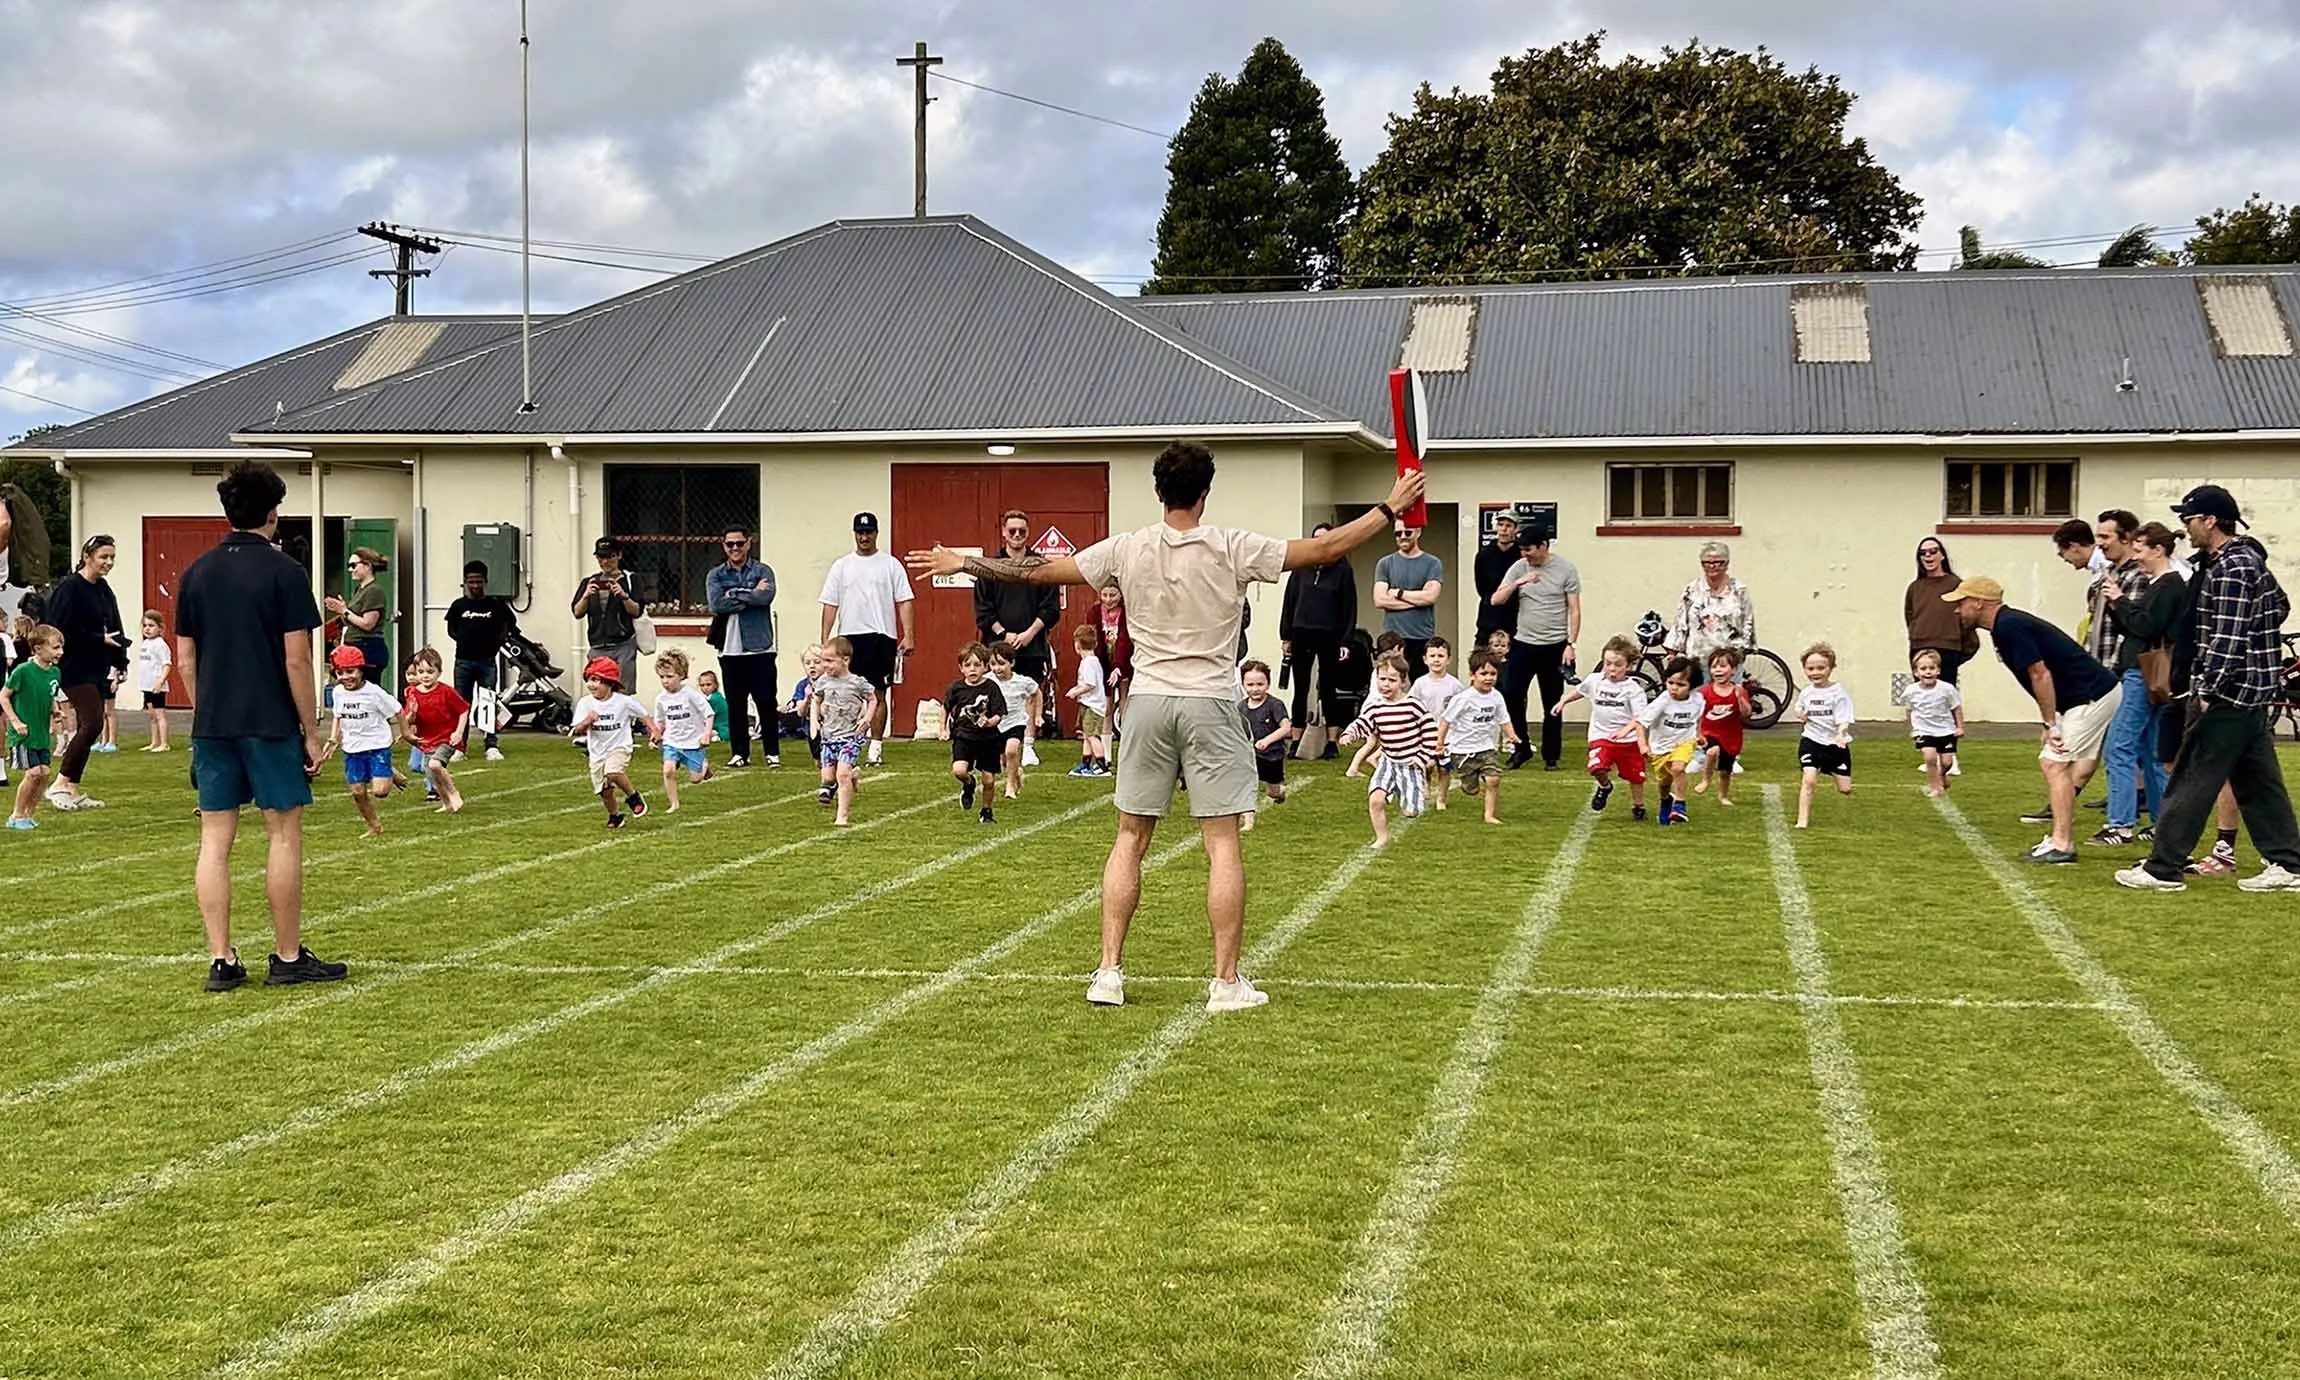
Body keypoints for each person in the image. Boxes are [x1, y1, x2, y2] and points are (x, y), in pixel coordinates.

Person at [905, 443, 1426, 1013]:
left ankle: (1109, 974)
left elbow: (1037, 570)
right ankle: (1225, 983)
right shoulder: (1231, 545)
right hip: (1208, 702)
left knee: (1130, 838)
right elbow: (1325, 547)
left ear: (1159, 491)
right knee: (1222, 843)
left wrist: (965, 561)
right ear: (1205, 491)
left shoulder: (1128, 548)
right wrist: (1389, 508)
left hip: (1148, 702)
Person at [176, 460, 343, 991]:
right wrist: (311, 729)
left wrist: (206, 710)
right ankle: (288, 956)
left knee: (214, 842)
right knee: (283, 835)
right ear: (274, 512)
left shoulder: (196, 573)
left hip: (214, 723)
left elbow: (185, 659)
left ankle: (221, 961)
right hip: (270, 721)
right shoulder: (285, 573)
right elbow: (298, 659)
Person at [2117, 486, 2300, 892]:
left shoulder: (2233, 567)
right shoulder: (2243, 561)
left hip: (2230, 692)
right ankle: (2289, 864)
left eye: (2190, 519)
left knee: (2192, 776)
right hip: (2252, 688)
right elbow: (2279, 606)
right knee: (2259, 782)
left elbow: (2227, 636)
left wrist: (2208, 687)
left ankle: (2163, 868)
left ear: (2211, 521)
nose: (2186, 528)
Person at [1945, 575, 2122, 864]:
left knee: (2053, 762)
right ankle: (2059, 837)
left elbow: (2040, 674)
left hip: (2091, 696)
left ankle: (2062, 844)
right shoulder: (2006, 625)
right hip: (2093, 694)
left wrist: (2050, 723)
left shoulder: (2008, 626)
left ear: (1978, 603)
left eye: (1961, 602)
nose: (1956, 609)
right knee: (2067, 765)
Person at [2093, 521, 2182, 845]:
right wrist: (2119, 605)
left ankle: (2120, 824)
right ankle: (2161, 821)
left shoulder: (2166, 585)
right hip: (2153, 673)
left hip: (2142, 671)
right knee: (2151, 748)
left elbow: (2144, 626)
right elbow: (2133, 625)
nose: (2137, 556)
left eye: (2141, 549)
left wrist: (2120, 599)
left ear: (2158, 549)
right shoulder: (2162, 583)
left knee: (2120, 744)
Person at [820, 512, 914, 766]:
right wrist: (825, 640)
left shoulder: (890, 564)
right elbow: (830, 603)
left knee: (877, 693)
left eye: (869, 532)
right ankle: (845, 742)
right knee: (845, 692)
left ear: (876, 533)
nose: (864, 537)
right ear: (855, 534)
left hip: (881, 636)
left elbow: (904, 600)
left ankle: (876, 745)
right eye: (860, 533)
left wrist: (909, 634)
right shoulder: (841, 566)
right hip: (850, 635)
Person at [42, 534, 127, 812]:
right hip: (73, 666)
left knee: (93, 724)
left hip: (97, 665)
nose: (108, 562)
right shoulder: (69, 588)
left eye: (112, 557)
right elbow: (58, 629)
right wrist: (97, 639)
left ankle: (72, 788)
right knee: (92, 723)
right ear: (88, 556)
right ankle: (60, 783)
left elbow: (114, 625)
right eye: (103, 557)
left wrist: (121, 661)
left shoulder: (103, 589)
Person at [1492, 530, 1581, 770]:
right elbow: (1496, 599)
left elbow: (1574, 609)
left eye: (1529, 549)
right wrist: (1518, 583)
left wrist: (1571, 644)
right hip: (1523, 644)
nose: (1525, 554)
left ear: (1543, 546)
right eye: (1522, 549)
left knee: (1552, 702)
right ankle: (1521, 749)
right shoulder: (1519, 567)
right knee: (1511, 695)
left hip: (1555, 645)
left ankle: (1551, 756)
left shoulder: (1566, 569)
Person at [976, 510, 1062, 737]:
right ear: (1004, 533)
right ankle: (998, 743)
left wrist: (1029, 634)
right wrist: (1004, 634)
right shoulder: (989, 567)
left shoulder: (1042, 566)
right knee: (995, 693)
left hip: (1032, 646)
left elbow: (1051, 608)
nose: (1016, 535)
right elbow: (983, 609)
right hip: (997, 646)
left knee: (1030, 693)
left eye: (1021, 531)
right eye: (1012, 530)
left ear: (1028, 533)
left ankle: (1028, 745)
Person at [1341, 652, 1438, 849]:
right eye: (1382, 679)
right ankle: (1381, 838)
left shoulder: (1413, 706)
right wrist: (1349, 734)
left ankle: (1413, 795)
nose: (1385, 684)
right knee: (1376, 800)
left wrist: (1423, 757)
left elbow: (1430, 731)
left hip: (1410, 764)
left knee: (1411, 811)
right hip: (1388, 762)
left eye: (1391, 680)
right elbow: (1363, 722)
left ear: (1402, 682)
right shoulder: (1376, 707)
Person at [1278, 521, 1357, 753]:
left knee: (1328, 687)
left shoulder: (1343, 569)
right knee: (1301, 687)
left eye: (1325, 537)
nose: (1320, 541)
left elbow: (1349, 606)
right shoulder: (1301, 566)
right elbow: (1289, 601)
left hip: (1330, 633)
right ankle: (1296, 740)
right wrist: (1286, 636)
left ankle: (1331, 741)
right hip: (1301, 631)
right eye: (1316, 537)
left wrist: (1346, 640)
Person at [1551, 634, 1648, 820]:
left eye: (1618, 665)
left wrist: (1626, 730)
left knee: (1636, 777)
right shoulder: (1595, 680)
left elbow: (1640, 717)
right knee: (1596, 767)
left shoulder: (1633, 690)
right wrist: (1563, 701)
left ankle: (1638, 806)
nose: (1612, 669)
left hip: (1627, 741)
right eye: (1608, 663)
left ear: (1628, 666)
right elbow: (1580, 691)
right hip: (1601, 736)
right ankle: (1605, 786)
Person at [707, 524, 779, 769]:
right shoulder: (715, 575)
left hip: (760, 646)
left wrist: (733, 594)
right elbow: (717, 605)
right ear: (723, 545)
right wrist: (749, 592)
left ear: (749, 542)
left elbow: (766, 597)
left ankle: (772, 752)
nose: (735, 548)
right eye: (730, 544)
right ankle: (740, 753)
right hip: (729, 648)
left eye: (739, 543)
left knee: (766, 701)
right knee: (735, 703)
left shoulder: (763, 569)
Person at [444, 560, 519, 761]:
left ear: (485, 581)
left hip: (487, 661)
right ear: (465, 582)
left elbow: (508, 625)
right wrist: (463, 638)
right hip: (463, 661)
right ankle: (460, 746)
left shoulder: (495, 605)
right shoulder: (458, 606)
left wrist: (496, 642)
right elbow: (451, 629)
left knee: (488, 702)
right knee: (462, 704)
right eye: (471, 581)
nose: (475, 585)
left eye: (479, 581)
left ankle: (491, 745)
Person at [324, 643, 402, 837]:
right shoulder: (338, 692)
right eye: (340, 673)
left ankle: (387, 770)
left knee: (381, 792)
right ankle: (374, 826)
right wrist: (333, 738)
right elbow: (338, 715)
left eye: (350, 671)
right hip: (353, 747)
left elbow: (397, 710)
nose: (346, 677)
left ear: (361, 670)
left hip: (377, 745)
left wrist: (406, 733)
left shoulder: (374, 692)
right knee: (358, 792)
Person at [569, 654, 652, 829]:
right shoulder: (585, 704)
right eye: (589, 680)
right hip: (597, 752)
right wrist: (587, 722)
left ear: (609, 683)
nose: (591, 684)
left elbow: (643, 714)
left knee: (613, 772)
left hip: (619, 746)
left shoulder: (623, 702)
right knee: (604, 790)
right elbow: (576, 730)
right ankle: (615, 816)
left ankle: (633, 796)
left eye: (596, 680)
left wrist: (654, 731)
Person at [1439, 647, 1514, 825]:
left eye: (1493, 674)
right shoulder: (1463, 699)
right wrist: (1440, 742)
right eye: (1483, 673)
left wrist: (1512, 736)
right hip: (1462, 750)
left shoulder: (1496, 697)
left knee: (1493, 779)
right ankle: (1469, 783)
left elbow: (1504, 719)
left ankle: (1489, 815)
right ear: (1472, 675)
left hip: (1486, 748)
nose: (1488, 678)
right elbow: (1445, 721)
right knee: (1471, 789)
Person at [809, 636, 877, 824]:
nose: (825, 665)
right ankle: (853, 774)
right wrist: (816, 717)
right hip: (829, 736)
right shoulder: (823, 681)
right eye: (823, 660)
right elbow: (817, 699)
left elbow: (872, 699)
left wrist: (867, 719)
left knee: (841, 774)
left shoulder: (857, 682)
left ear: (845, 660)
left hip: (850, 736)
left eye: (829, 661)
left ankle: (842, 816)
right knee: (829, 778)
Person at [3, 623, 61, 830]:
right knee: (34, 772)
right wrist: (15, 721)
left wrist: (55, 710)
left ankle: (28, 814)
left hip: (41, 733)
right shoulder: (23, 671)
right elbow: (4, 696)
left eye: (61, 647)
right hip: (24, 733)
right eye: (55, 648)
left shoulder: (55, 673)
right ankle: (16, 815)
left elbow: (50, 694)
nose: (60, 652)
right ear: (38, 649)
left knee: (44, 773)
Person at [1663, 542, 1757, 669]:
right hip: (1697, 660)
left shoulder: (1739, 590)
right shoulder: (1692, 589)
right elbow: (1681, 622)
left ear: (1727, 563)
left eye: (1718, 562)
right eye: (1706, 563)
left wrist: (1742, 651)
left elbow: (1748, 622)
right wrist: (1674, 652)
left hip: (1728, 663)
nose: (1712, 566)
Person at [1792, 643, 1856, 828]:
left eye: (1821, 668)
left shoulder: (1838, 693)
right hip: (1811, 741)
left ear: (1830, 668)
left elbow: (1844, 718)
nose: (1815, 672)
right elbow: (1799, 707)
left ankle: (1832, 769)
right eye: (1810, 668)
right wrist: (1800, 713)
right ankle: (1802, 820)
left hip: (1835, 744)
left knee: (1845, 789)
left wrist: (1840, 733)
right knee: (1809, 778)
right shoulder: (1806, 692)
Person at [399, 648, 469, 813]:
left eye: (430, 672)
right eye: (421, 672)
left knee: (435, 764)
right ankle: (446, 803)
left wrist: (458, 732)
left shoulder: (446, 691)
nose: (425, 676)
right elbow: (408, 720)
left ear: (439, 672)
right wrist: (412, 714)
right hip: (427, 740)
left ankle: (453, 793)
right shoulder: (413, 693)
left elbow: (463, 709)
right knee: (432, 774)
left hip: (446, 738)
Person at [1905, 537, 1979, 688]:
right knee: (1923, 698)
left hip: (1949, 649)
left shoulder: (1956, 584)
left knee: (1945, 698)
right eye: (1923, 553)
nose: (1928, 556)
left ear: (1942, 556)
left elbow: (1967, 618)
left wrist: (1959, 651)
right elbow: (1910, 616)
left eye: (1933, 551)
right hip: (1920, 648)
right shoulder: (1915, 587)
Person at [944, 641, 1006, 824]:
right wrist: (943, 728)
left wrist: (989, 722)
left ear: (985, 667)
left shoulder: (991, 688)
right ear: (961, 668)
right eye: (968, 665)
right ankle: (969, 784)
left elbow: (999, 714)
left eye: (977, 665)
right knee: (959, 770)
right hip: (964, 737)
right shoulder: (957, 688)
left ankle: (987, 811)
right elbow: (945, 707)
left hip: (988, 739)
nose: (973, 669)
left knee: (988, 780)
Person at [571, 537, 643, 692]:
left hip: (623, 645)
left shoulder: (631, 579)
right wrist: (586, 596)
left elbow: (636, 611)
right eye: (601, 557)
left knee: (623, 693)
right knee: (599, 693)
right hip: (598, 645)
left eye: (610, 556)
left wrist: (623, 596)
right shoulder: (589, 581)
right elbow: (577, 612)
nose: (605, 561)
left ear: (619, 556)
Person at [1373, 521, 1444, 677]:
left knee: (1421, 687)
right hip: (1392, 639)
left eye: (1408, 532)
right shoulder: (1385, 564)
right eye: (1398, 533)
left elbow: (1431, 597)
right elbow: (1380, 600)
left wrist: (1398, 593)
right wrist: (1417, 600)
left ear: (1418, 532)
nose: (1403, 537)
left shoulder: (1433, 563)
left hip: (1422, 636)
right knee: (1391, 684)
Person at [1640, 656, 1704, 826]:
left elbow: (1697, 718)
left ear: (1692, 686)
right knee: (1664, 783)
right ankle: (1666, 801)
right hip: (1660, 747)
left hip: (1684, 742)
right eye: (1670, 683)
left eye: (1681, 685)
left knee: (1678, 768)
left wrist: (1699, 734)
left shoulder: (1698, 700)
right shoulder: (1662, 701)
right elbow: (1641, 723)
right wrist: (1643, 745)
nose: (1674, 688)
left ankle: (1680, 805)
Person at [649, 649, 714, 813]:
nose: (665, 681)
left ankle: (703, 766)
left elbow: (709, 714)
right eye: (662, 677)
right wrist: (655, 736)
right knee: (668, 770)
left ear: (681, 675)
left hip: (693, 741)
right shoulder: (660, 699)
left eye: (669, 676)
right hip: (672, 741)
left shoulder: (690, 695)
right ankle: (674, 804)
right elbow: (661, 721)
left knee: (695, 779)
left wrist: (706, 733)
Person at [322, 547, 392, 692]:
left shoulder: (374, 591)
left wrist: (344, 611)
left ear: (367, 565)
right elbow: (352, 619)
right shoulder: (360, 590)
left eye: (354, 565)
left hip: (367, 648)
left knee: (366, 693)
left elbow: (368, 624)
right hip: (355, 646)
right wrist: (341, 610)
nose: (350, 569)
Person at [1409, 637, 1464, 811]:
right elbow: (1411, 705)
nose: (1436, 659)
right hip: (1425, 733)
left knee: (1444, 768)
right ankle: (1425, 783)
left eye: (1441, 655)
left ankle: (1441, 798)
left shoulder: (1455, 685)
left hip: (1448, 734)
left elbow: (1462, 708)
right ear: (1425, 659)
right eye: (1432, 656)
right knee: (1427, 764)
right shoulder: (1420, 683)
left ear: (1448, 659)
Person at [1693, 647, 1750, 804]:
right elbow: (1697, 715)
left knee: (1725, 771)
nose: (1718, 670)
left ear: (1733, 670)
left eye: (1723, 666)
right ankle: (1705, 780)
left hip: (1731, 737)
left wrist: (1740, 699)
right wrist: (1698, 733)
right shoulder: (1705, 692)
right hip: (1710, 733)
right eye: (1714, 666)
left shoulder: (1739, 690)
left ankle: (1723, 796)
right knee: (1712, 751)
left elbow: (1746, 714)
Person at [1905, 649, 1964, 799]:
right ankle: (1936, 787)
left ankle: (1941, 776)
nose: (1928, 672)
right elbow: (1909, 710)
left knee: (1947, 762)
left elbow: (1956, 708)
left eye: (1932, 668)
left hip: (1945, 730)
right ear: (1916, 672)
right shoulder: (1911, 691)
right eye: (1923, 669)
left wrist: (1959, 727)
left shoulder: (1947, 689)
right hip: (1923, 730)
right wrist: (1912, 729)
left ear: (1938, 670)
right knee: (1930, 757)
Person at [988, 645, 1042, 802]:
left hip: (1015, 722)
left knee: (1011, 751)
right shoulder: (988, 680)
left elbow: (1036, 693)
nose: (997, 668)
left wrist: (1037, 715)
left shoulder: (1022, 682)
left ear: (1011, 663)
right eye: (993, 664)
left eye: (1001, 663)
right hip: (997, 724)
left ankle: (1010, 784)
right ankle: (1015, 772)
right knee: (1004, 759)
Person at [1239, 659, 1290, 816]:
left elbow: (1286, 728)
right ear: (1243, 685)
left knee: (1272, 791)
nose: (1255, 689)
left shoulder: (1274, 705)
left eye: (1260, 684)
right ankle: (1248, 819)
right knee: (1246, 784)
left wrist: (1267, 741)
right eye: (1250, 685)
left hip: (1272, 756)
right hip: (1250, 755)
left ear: (1268, 684)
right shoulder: (1241, 706)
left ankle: (1279, 791)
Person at [1066, 623, 1110, 778]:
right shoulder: (1092, 661)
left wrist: (1075, 691)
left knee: (1092, 735)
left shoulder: (1088, 663)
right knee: (1086, 734)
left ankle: (1101, 765)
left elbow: (1090, 684)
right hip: (1088, 704)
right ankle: (1085, 763)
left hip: (1093, 706)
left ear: (1077, 645)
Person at [1473, 511, 1522, 643]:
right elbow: (1481, 588)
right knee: (1481, 660)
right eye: (1500, 525)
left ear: (1516, 528)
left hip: (1515, 620)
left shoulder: (1521, 556)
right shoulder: (1484, 555)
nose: (1504, 529)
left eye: (1508, 525)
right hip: (1488, 619)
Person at [133, 610, 173, 752]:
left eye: (151, 625)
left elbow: (167, 664)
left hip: (157, 686)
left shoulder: (160, 644)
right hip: (146, 685)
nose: (147, 629)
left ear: (160, 628)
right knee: (151, 715)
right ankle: (154, 742)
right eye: (145, 625)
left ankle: (164, 743)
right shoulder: (145, 644)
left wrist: (160, 681)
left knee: (159, 714)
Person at [781, 646, 821, 764]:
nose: (812, 666)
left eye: (817, 662)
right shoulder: (803, 685)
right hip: (811, 727)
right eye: (807, 663)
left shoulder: (831, 683)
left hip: (831, 728)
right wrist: (807, 699)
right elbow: (800, 712)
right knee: (818, 759)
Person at [698, 668, 729, 747]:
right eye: (702, 685)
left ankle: (717, 737)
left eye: (708, 684)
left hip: (721, 729)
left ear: (715, 685)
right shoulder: (717, 696)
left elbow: (704, 717)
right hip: (723, 727)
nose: (705, 687)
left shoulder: (714, 699)